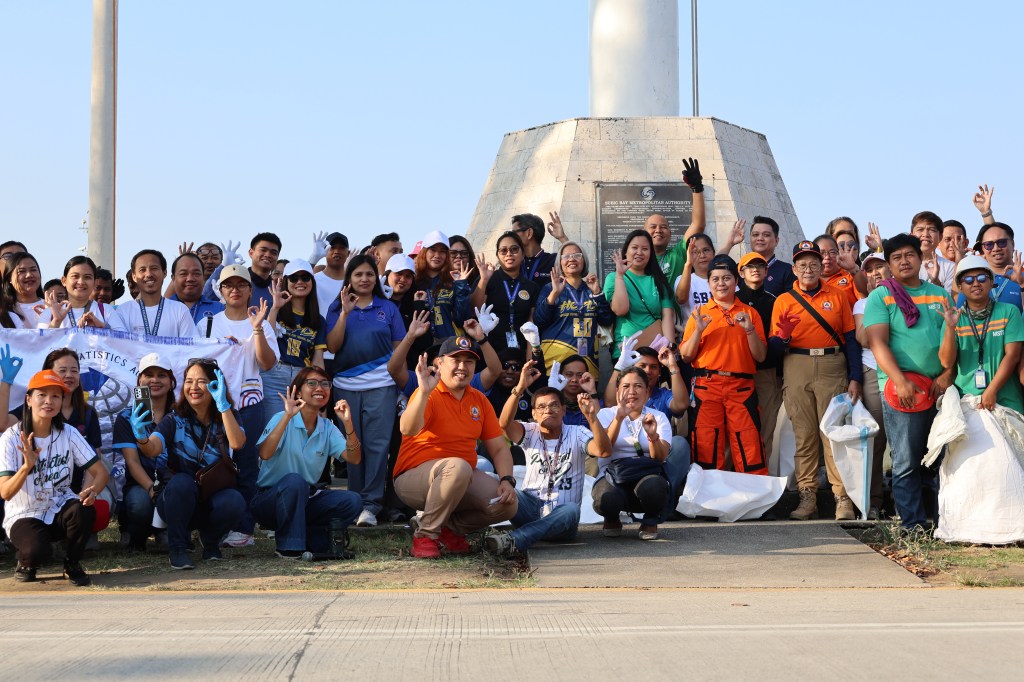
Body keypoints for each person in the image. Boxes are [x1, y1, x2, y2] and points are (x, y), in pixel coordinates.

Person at [392, 337, 518, 559]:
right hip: (413, 478)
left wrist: (507, 480)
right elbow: (407, 429)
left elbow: (499, 448)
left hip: (459, 475)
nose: (462, 366)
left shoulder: (479, 399)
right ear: (439, 363)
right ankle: (426, 535)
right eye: (455, 360)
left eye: (468, 361)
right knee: (458, 467)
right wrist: (422, 392)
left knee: (508, 505)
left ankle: (449, 531)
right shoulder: (427, 392)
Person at [864, 233, 955, 530]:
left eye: (909, 255)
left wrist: (946, 375)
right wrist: (900, 380)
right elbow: (877, 342)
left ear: (920, 257)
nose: (904, 261)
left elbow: (952, 340)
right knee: (905, 462)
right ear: (889, 264)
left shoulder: (939, 295)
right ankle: (913, 526)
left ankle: (946, 525)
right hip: (901, 391)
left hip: (939, 389)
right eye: (896, 257)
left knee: (944, 460)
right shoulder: (882, 295)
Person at [770, 241, 862, 521]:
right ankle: (807, 494)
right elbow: (774, 350)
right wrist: (783, 337)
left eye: (813, 264)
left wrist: (855, 376)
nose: (808, 269)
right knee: (804, 434)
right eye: (802, 265)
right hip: (796, 364)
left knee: (832, 433)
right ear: (794, 269)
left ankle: (841, 496)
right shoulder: (783, 300)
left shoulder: (836, 295)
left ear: (821, 266)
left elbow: (850, 340)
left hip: (832, 364)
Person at [133, 359, 247, 569]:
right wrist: (141, 437)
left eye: (201, 381)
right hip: (176, 501)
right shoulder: (175, 418)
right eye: (188, 381)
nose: (193, 387)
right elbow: (152, 449)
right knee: (181, 483)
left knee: (235, 500)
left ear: (216, 385)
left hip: (212, 497)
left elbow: (238, 443)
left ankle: (211, 543)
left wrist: (223, 406)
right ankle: (177, 548)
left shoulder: (228, 415)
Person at [486, 366, 611, 556]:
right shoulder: (529, 431)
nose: (548, 411)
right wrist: (519, 388)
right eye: (541, 407)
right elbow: (503, 424)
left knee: (571, 510)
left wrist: (592, 417)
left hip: (562, 521)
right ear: (534, 414)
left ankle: (515, 540)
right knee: (507, 490)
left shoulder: (577, 433)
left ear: (563, 410)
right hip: (531, 508)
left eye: (554, 406)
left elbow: (603, 450)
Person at [1, 370, 109, 585]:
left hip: (59, 505)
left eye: (55, 396)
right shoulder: (11, 437)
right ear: (29, 399)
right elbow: (5, 492)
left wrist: (93, 491)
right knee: (37, 552)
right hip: (25, 512)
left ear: (61, 401)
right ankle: (26, 562)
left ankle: (72, 563)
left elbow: (101, 472)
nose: (48, 401)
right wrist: (26, 467)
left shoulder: (68, 433)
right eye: (42, 395)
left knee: (83, 509)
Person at [325, 255, 404, 528]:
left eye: (369, 274)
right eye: (358, 274)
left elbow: (399, 351)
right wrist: (345, 313)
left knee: (377, 446)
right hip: (345, 387)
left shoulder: (388, 308)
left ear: (376, 278)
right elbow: (332, 347)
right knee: (352, 445)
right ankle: (353, 503)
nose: (364, 279)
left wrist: (401, 387)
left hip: (382, 386)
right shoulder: (337, 308)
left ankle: (370, 505)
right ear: (349, 279)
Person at [252, 367, 363, 559]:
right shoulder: (282, 418)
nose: (319, 388)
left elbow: (354, 458)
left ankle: (312, 538)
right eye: (311, 383)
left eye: (325, 384)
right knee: (295, 482)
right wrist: (287, 416)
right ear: (298, 390)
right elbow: (265, 453)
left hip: (305, 498)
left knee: (352, 501)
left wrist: (348, 424)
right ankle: (289, 547)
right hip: (268, 500)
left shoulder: (327, 427)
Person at [205, 264, 279, 548]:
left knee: (247, 466)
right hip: (215, 405)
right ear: (221, 291)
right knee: (215, 465)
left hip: (249, 404)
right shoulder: (208, 323)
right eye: (228, 285)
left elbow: (267, 364)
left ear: (250, 289)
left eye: (240, 285)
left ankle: (244, 527)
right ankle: (217, 524)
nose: (234, 290)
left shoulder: (259, 322)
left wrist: (258, 329)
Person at [679, 254, 768, 474]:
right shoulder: (699, 315)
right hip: (707, 387)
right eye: (716, 279)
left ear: (736, 282)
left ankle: (754, 502)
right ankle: (707, 502)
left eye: (727, 278)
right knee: (706, 443)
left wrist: (749, 329)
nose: (721, 283)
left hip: (741, 388)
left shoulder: (750, 313)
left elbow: (761, 356)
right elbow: (686, 356)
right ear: (708, 283)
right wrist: (698, 330)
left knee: (749, 443)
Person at [592, 367, 673, 540]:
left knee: (656, 487)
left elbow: (660, 458)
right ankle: (611, 517)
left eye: (637, 386)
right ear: (617, 391)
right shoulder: (606, 414)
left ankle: (650, 520)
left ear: (647, 391)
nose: (631, 392)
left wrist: (652, 436)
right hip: (612, 475)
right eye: (626, 386)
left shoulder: (658, 417)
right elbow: (604, 449)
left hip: (646, 475)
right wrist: (619, 418)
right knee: (607, 499)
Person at [939, 255, 1024, 412]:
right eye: (969, 280)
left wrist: (992, 390)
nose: (976, 283)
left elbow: (1013, 355)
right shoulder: (954, 318)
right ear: (960, 286)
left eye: (982, 278)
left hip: (1006, 399)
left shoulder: (1009, 311)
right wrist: (950, 328)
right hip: (967, 399)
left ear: (991, 282)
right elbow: (946, 362)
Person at [112, 353, 176, 551]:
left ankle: (166, 532)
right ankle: (134, 533)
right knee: (140, 504)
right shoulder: (125, 417)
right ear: (139, 380)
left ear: (172, 382)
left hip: (172, 480)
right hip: (140, 484)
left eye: (162, 375)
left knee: (179, 493)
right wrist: (151, 488)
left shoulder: (180, 415)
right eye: (148, 374)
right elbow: (132, 462)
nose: (155, 380)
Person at [533, 240, 613, 375]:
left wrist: (597, 293)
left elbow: (606, 320)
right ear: (560, 263)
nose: (571, 259)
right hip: (555, 362)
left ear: (584, 261)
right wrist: (554, 295)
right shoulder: (549, 288)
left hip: (588, 363)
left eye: (577, 255)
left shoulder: (591, 289)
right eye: (566, 256)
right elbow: (539, 321)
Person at [852, 252, 891, 519]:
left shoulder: (907, 298)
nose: (876, 273)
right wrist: (879, 302)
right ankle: (873, 500)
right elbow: (864, 339)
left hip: (906, 373)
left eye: (881, 267)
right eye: (870, 270)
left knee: (905, 442)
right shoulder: (862, 304)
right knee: (876, 440)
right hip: (873, 373)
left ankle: (904, 499)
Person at [264, 259, 327, 417]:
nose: (300, 282)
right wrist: (275, 308)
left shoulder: (319, 320)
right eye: (294, 278)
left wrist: (319, 386)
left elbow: (318, 360)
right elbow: (266, 340)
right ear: (286, 282)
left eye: (305, 278)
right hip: (274, 374)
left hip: (303, 377)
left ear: (312, 282)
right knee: (274, 429)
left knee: (301, 430)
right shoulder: (273, 311)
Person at [736, 251, 783, 459]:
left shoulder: (774, 301)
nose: (755, 269)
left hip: (766, 372)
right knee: (739, 424)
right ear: (741, 272)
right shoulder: (733, 300)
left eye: (760, 266)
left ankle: (764, 475)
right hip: (738, 371)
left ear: (766, 272)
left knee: (767, 425)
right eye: (750, 266)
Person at [605, 229, 676, 358]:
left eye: (645, 249)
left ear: (651, 253)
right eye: (634, 248)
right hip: (627, 352)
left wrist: (670, 348)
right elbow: (620, 310)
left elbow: (667, 316)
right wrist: (620, 276)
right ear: (626, 251)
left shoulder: (658, 280)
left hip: (656, 351)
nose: (639, 252)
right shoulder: (613, 278)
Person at [644, 158, 707, 283]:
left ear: (670, 233)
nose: (658, 230)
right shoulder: (637, 260)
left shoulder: (678, 254)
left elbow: (698, 225)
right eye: (653, 227)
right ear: (643, 233)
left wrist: (697, 188)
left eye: (663, 227)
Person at [112, 250, 199, 337]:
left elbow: (191, 348)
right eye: (142, 270)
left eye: (154, 268)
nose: (149, 274)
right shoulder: (122, 312)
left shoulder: (180, 310)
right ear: (134, 276)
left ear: (164, 273)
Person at [477, 231, 540, 353]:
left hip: (520, 350)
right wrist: (483, 280)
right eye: (503, 251)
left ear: (523, 254)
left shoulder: (532, 287)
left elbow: (531, 323)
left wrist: (529, 357)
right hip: (490, 349)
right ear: (498, 255)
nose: (509, 254)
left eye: (514, 249)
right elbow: (475, 310)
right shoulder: (487, 279)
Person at [411, 230, 472, 346]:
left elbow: (462, 319)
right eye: (433, 250)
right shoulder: (413, 282)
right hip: (420, 346)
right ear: (424, 252)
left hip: (449, 346)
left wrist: (461, 286)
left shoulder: (454, 281)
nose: (437, 256)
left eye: (442, 251)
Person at [202, 233, 281, 309]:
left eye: (273, 253)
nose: (267, 255)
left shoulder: (278, 290)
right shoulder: (235, 280)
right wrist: (223, 266)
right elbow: (204, 299)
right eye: (263, 250)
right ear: (251, 253)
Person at [722, 216, 796, 296]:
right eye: (755, 234)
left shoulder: (787, 271)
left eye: (766, 235)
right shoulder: (740, 268)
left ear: (776, 241)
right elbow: (714, 267)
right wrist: (730, 243)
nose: (760, 238)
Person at [39, 256, 114, 329]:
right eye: (75, 276)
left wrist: (102, 327)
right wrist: (56, 321)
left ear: (94, 282)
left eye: (87, 277)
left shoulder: (106, 311)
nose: (81, 282)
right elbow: (41, 340)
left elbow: (122, 340)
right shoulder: (49, 313)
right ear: (64, 281)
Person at [168, 252, 224, 336]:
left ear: (203, 277)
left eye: (196, 273)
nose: (190, 279)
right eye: (183, 274)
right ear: (173, 278)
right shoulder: (162, 309)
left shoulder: (220, 309)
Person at [511, 212, 569, 289]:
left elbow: (576, 260)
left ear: (529, 233)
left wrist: (562, 238)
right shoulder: (512, 261)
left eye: (514, 233)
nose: (511, 237)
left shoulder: (553, 260)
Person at [973, 222, 1023, 310]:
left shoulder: (1022, 278)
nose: (996, 249)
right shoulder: (972, 280)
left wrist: (1022, 284)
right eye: (989, 245)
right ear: (983, 249)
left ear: (1012, 244)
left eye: (1002, 242)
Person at [910, 211, 955, 291]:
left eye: (932, 230)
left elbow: (950, 300)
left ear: (940, 236)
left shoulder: (950, 267)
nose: (926, 234)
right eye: (920, 229)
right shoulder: (903, 264)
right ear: (911, 235)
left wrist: (936, 281)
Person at [675, 233, 714, 320]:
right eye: (695, 252)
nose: (702, 255)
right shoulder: (683, 279)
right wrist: (688, 264)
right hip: (693, 331)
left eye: (706, 250)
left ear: (713, 252)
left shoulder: (723, 279)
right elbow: (681, 299)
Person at [312, 232, 350, 318]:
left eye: (341, 248)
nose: (336, 251)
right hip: (318, 330)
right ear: (324, 251)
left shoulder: (353, 283)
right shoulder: (313, 280)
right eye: (332, 248)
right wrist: (313, 259)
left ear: (348, 253)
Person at [4, 252, 44, 328]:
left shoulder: (52, 308)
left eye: (33, 270)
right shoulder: (4, 312)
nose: (29, 275)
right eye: (21, 271)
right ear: (9, 278)